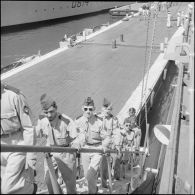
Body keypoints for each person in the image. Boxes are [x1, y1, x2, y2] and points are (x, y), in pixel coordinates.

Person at [36, 93, 77, 194]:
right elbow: (35, 134)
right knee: (49, 181)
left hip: (65, 153)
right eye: (46, 112)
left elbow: (76, 137)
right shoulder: (42, 120)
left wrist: (73, 143)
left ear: (56, 109)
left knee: (70, 184)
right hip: (50, 153)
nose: (49, 115)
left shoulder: (66, 121)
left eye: (51, 112)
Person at [1, 83, 37, 194]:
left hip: (16, 145)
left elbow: (28, 128)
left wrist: (30, 157)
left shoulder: (14, 96)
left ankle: (31, 189)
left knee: (8, 189)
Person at [71, 97, 111, 194]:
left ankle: (92, 192)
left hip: (97, 149)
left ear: (94, 109)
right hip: (85, 149)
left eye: (90, 109)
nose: (88, 111)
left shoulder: (100, 121)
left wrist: (105, 146)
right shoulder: (77, 121)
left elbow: (107, 137)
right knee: (86, 175)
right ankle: (94, 189)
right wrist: (76, 143)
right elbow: (74, 136)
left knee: (91, 173)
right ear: (82, 108)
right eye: (86, 109)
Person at [96, 98, 120, 186]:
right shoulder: (95, 117)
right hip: (96, 145)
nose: (107, 110)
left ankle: (103, 182)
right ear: (102, 108)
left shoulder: (114, 119)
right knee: (94, 166)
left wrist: (117, 144)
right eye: (105, 108)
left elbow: (116, 133)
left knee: (104, 165)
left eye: (109, 109)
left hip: (106, 146)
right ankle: (93, 183)